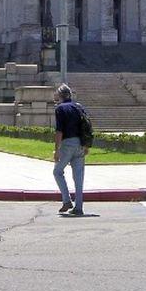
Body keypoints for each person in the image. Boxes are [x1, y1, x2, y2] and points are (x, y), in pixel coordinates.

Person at [53, 83, 87, 216]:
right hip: (80, 144)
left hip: (68, 144)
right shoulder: (78, 107)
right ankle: (79, 207)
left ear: (60, 95)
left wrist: (57, 150)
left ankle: (67, 200)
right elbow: (86, 126)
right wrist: (86, 145)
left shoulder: (60, 108)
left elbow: (59, 131)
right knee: (79, 178)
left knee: (57, 171)